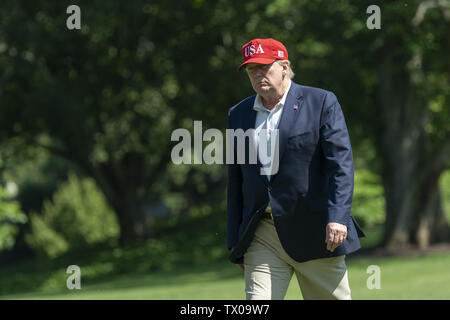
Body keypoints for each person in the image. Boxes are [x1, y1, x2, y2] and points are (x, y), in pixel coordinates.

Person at [226, 38, 365, 300]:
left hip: (317, 231)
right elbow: (236, 179)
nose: (257, 74)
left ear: (284, 67)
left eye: (264, 67)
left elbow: (341, 164)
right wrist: (235, 238)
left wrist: (337, 217)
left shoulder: (321, 102)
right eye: (251, 69)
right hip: (262, 234)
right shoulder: (238, 113)